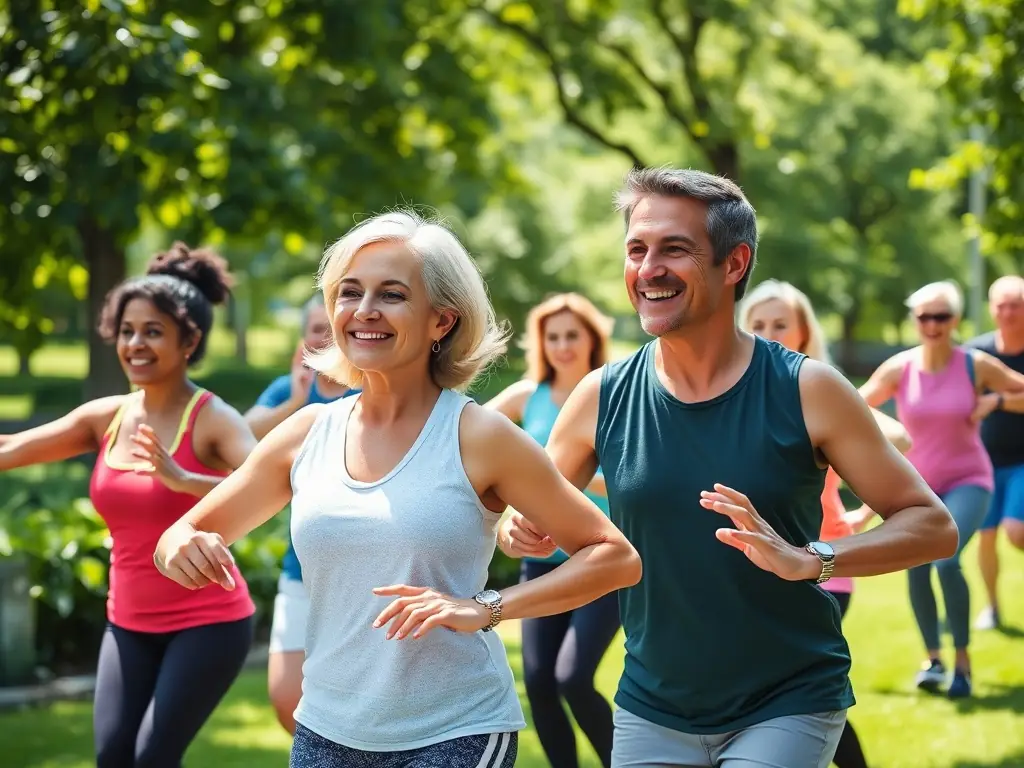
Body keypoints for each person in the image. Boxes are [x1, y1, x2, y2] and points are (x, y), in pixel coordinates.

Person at [500, 167, 957, 768]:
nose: (648, 268)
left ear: (734, 263)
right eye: (637, 249)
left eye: (675, 249)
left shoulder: (807, 389)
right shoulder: (601, 395)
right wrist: (519, 527)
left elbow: (932, 524)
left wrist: (812, 559)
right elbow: (529, 516)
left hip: (787, 699)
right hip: (652, 705)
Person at [153, 211, 642, 768]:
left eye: (391, 294)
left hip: (456, 730)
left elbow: (615, 557)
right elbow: (182, 534)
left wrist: (488, 608)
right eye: (349, 292)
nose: (364, 311)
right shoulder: (306, 435)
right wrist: (181, 546)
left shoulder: (478, 435)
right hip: (325, 731)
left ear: (442, 320)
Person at [0, 244, 257, 768]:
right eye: (127, 330)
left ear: (190, 341)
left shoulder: (212, 419)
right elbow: (9, 449)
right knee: (114, 758)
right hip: (129, 622)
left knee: (151, 759)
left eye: (153, 331)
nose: (135, 344)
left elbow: (268, 485)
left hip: (207, 621)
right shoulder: (107, 417)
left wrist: (184, 479)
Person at [738, 279, 913, 768]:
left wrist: (862, 513)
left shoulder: (818, 390)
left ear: (802, 333)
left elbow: (898, 438)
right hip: (759, 566)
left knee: (790, 689)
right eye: (757, 324)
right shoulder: (739, 393)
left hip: (823, 564)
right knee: (787, 688)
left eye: (780, 324)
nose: (768, 333)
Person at [860, 279, 1024, 698]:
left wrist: (998, 402)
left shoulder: (974, 364)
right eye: (924, 316)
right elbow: (856, 407)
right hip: (917, 486)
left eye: (942, 316)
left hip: (970, 479)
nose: (932, 324)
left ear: (954, 321)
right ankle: (933, 660)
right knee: (915, 565)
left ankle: (964, 664)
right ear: (914, 320)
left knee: (946, 560)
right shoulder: (900, 368)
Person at [487, 292, 619, 768]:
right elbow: (466, 434)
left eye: (572, 335)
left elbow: (632, 469)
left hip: (602, 559)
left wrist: (559, 480)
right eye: (553, 337)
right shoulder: (527, 397)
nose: (563, 346)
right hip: (541, 561)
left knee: (573, 678)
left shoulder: (616, 393)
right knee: (540, 681)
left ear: (592, 340)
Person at [244, 293, 358, 734]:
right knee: (286, 697)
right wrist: (293, 402)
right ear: (303, 341)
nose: (325, 337)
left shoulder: (372, 389)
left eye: (333, 328)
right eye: (316, 330)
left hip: (361, 571)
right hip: (301, 568)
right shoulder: (287, 390)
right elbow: (237, 436)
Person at [964, 275, 1024, 630]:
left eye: (1015, 304)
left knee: (1016, 532)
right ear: (991, 308)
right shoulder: (976, 353)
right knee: (985, 538)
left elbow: (990, 400)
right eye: (1001, 305)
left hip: (1022, 462)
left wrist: (999, 401)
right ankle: (992, 607)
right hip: (983, 462)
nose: (1007, 312)